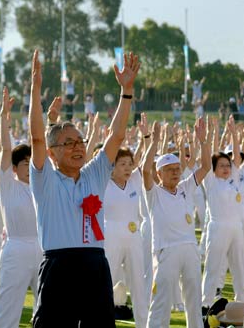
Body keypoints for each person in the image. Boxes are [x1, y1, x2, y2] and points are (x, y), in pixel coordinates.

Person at [29, 50, 140, 327]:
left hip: (94, 264)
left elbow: (116, 135)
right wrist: (35, 90)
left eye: (80, 141)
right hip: (59, 267)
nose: (78, 147)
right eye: (68, 143)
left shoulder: (94, 174)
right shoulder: (46, 179)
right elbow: (36, 138)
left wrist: (126, 91)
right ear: (53, 153)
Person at [143, 118, 210, 328]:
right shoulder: (153, 193)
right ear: (160, 173)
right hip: (166, 250)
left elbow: (207, 166)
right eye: (169, 169)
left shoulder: (185, 187)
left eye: (177, 168)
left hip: (189, 248)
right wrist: (153, 142)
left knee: (194, 299)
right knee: (161, 302)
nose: (175, 172)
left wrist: (203, 141)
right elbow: (145, 171)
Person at [0, 87, 42, 327]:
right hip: (16, 247)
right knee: (8, 307)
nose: (28, 167)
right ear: (14, 168)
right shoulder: (7, 185)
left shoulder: (41, 185)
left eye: (31, 162)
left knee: (48, 308)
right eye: (24, 163)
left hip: (43, 247)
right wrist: (3, 117)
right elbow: (4, 148)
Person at [201, 116, 244, 309]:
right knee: (213, 267)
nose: (227, 168)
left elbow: (236, 156)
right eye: (222, 166)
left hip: (236, 227)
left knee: (239, 268)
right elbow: (208, 157)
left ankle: (243, 303)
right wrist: (211, 134)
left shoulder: (234, 178)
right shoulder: (211, 181)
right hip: (218, 226)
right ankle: (205, 304)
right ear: (214, 169)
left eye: (228, 165)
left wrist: (235, 135)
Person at [103, 147, 148, 328]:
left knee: (138, 284)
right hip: (110, 236)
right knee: (106, 284)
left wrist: (147, 139)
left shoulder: (135, 181)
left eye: (130, 164)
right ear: (112, 167)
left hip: (134, 237)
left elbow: (144, 158)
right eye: (122, 164)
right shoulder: (103, 183)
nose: (128, 168)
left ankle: (143, 324)